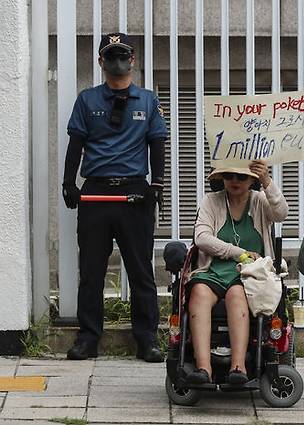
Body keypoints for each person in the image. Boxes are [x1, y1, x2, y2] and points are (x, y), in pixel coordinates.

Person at [62, 33, 168, 362]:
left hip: (134, 192)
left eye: (123, 55)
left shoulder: (148, 100)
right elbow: (76, 143)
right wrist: (69, 183)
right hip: (96, 192)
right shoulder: (87, 100)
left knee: (140, 270)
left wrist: (158, 184)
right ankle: (88, 338)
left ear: (133, 60)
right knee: (91, 270)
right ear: (100, 62)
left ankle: (147, 338)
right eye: (110, 56)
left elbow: (157, 144)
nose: (117, 62)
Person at [184, 161, 288, 385]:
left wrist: (267, 182)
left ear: (252, 180)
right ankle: (204, 368)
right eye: (229, 175)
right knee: (199, 293)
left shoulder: (259, 201)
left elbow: (281, 213)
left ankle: (238, 367)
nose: (234, 181)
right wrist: (238, 253)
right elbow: (202, 237)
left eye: (241, 177)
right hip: (213, 270)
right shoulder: (211, 201)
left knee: (237, 295)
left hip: (248, 274)